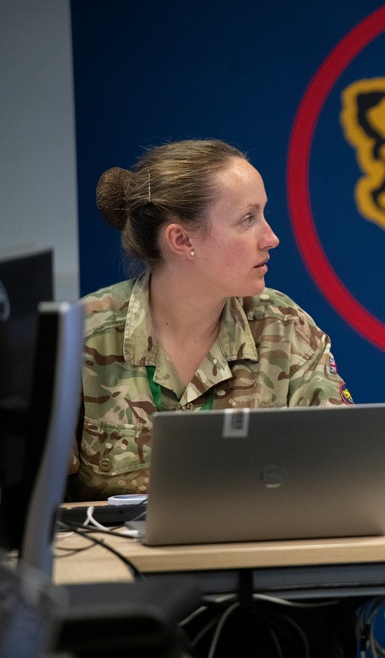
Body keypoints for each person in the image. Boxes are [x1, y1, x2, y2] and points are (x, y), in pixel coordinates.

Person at [67, 139, 353, 501]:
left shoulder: (284, 326)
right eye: (247, 219)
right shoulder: (83, 335)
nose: (272, 238)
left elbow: (343, 469)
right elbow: (35, 503)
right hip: (116, 557)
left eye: (263, 214)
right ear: (182, 239)